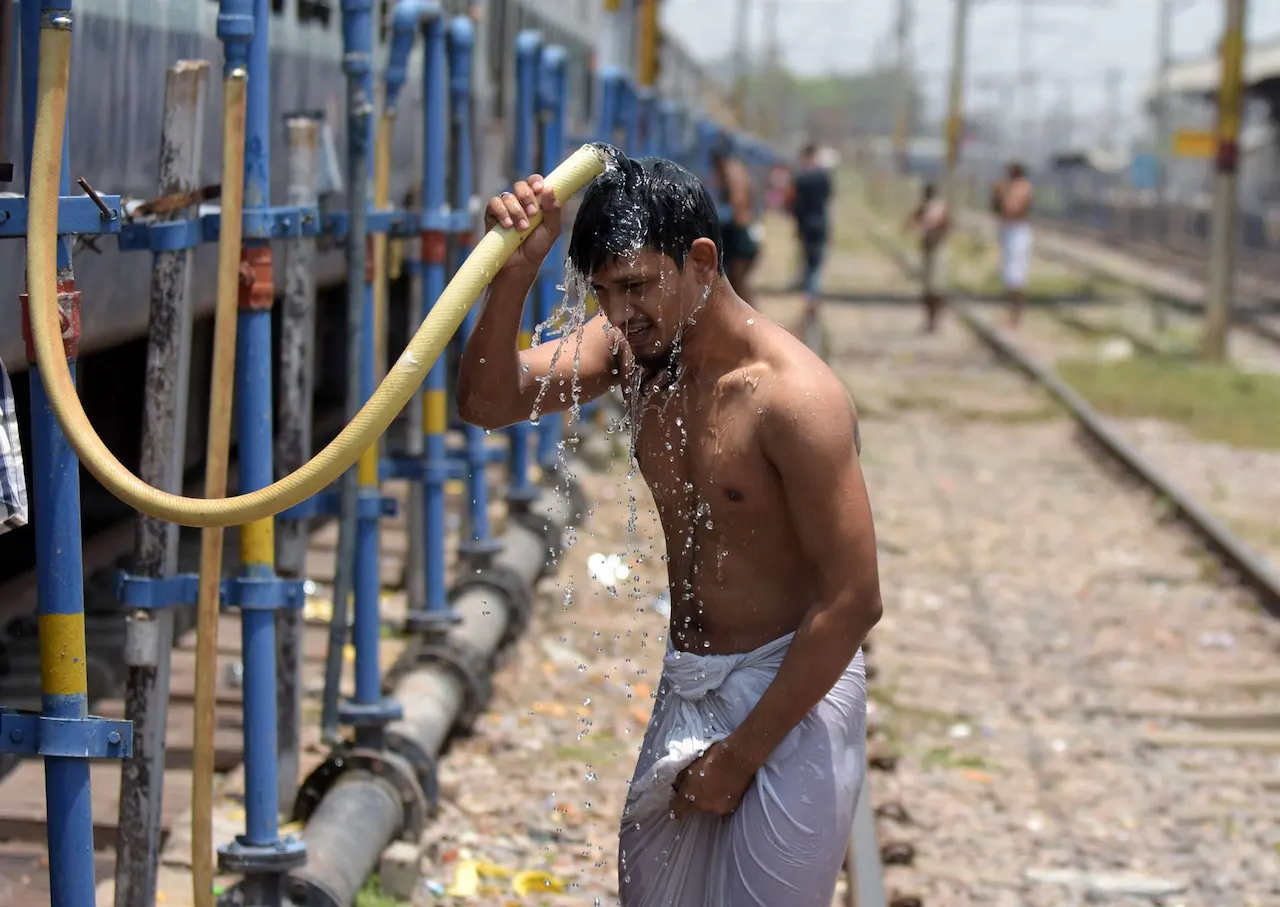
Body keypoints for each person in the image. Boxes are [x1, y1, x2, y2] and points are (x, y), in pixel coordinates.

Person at [457, 157, 882, 907]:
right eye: (603, 293)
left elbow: (853, 600)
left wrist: (740, 757)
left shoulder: (792, 397)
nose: (620, 313)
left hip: (792, 688)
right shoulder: (638, 355)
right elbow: (490, 399)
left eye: (637, 285)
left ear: (701, 262)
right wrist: (514, 272)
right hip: (689, 681)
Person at [709, 140, 761, 307]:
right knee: (739, 284)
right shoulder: (738, 169)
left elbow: (738, 204)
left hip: (739, 234)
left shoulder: (730, 173)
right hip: (745, 231)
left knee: (737, 284)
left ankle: (753, 321)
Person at [789, 143, 832, 325]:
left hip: (805, 226)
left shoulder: (800, 178)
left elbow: (794, 205)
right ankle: (812, 297)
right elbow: (828, 202)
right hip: (820, 225)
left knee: (808, 261)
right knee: (816, 263)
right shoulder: (823, 176)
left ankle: (809, 297)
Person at [903, 181, 950, 333]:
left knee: (936, 287)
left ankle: (934, 320)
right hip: (927, 250)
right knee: (927, 288)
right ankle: (929, 320)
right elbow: (910, 222)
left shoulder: (939, 207)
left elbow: (943, 225)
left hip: (937, 250)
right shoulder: (925, 207)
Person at [992, 161, 1034, 327]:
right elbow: (998, 209)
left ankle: (1015, 316)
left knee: (1017, 277)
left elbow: (1013, 208)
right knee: (1008, 276)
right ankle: (1011, 314)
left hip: (1018, 232)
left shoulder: (1023, 187)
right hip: (1007, 230)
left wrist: (1003, 196)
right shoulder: (1005, 187)